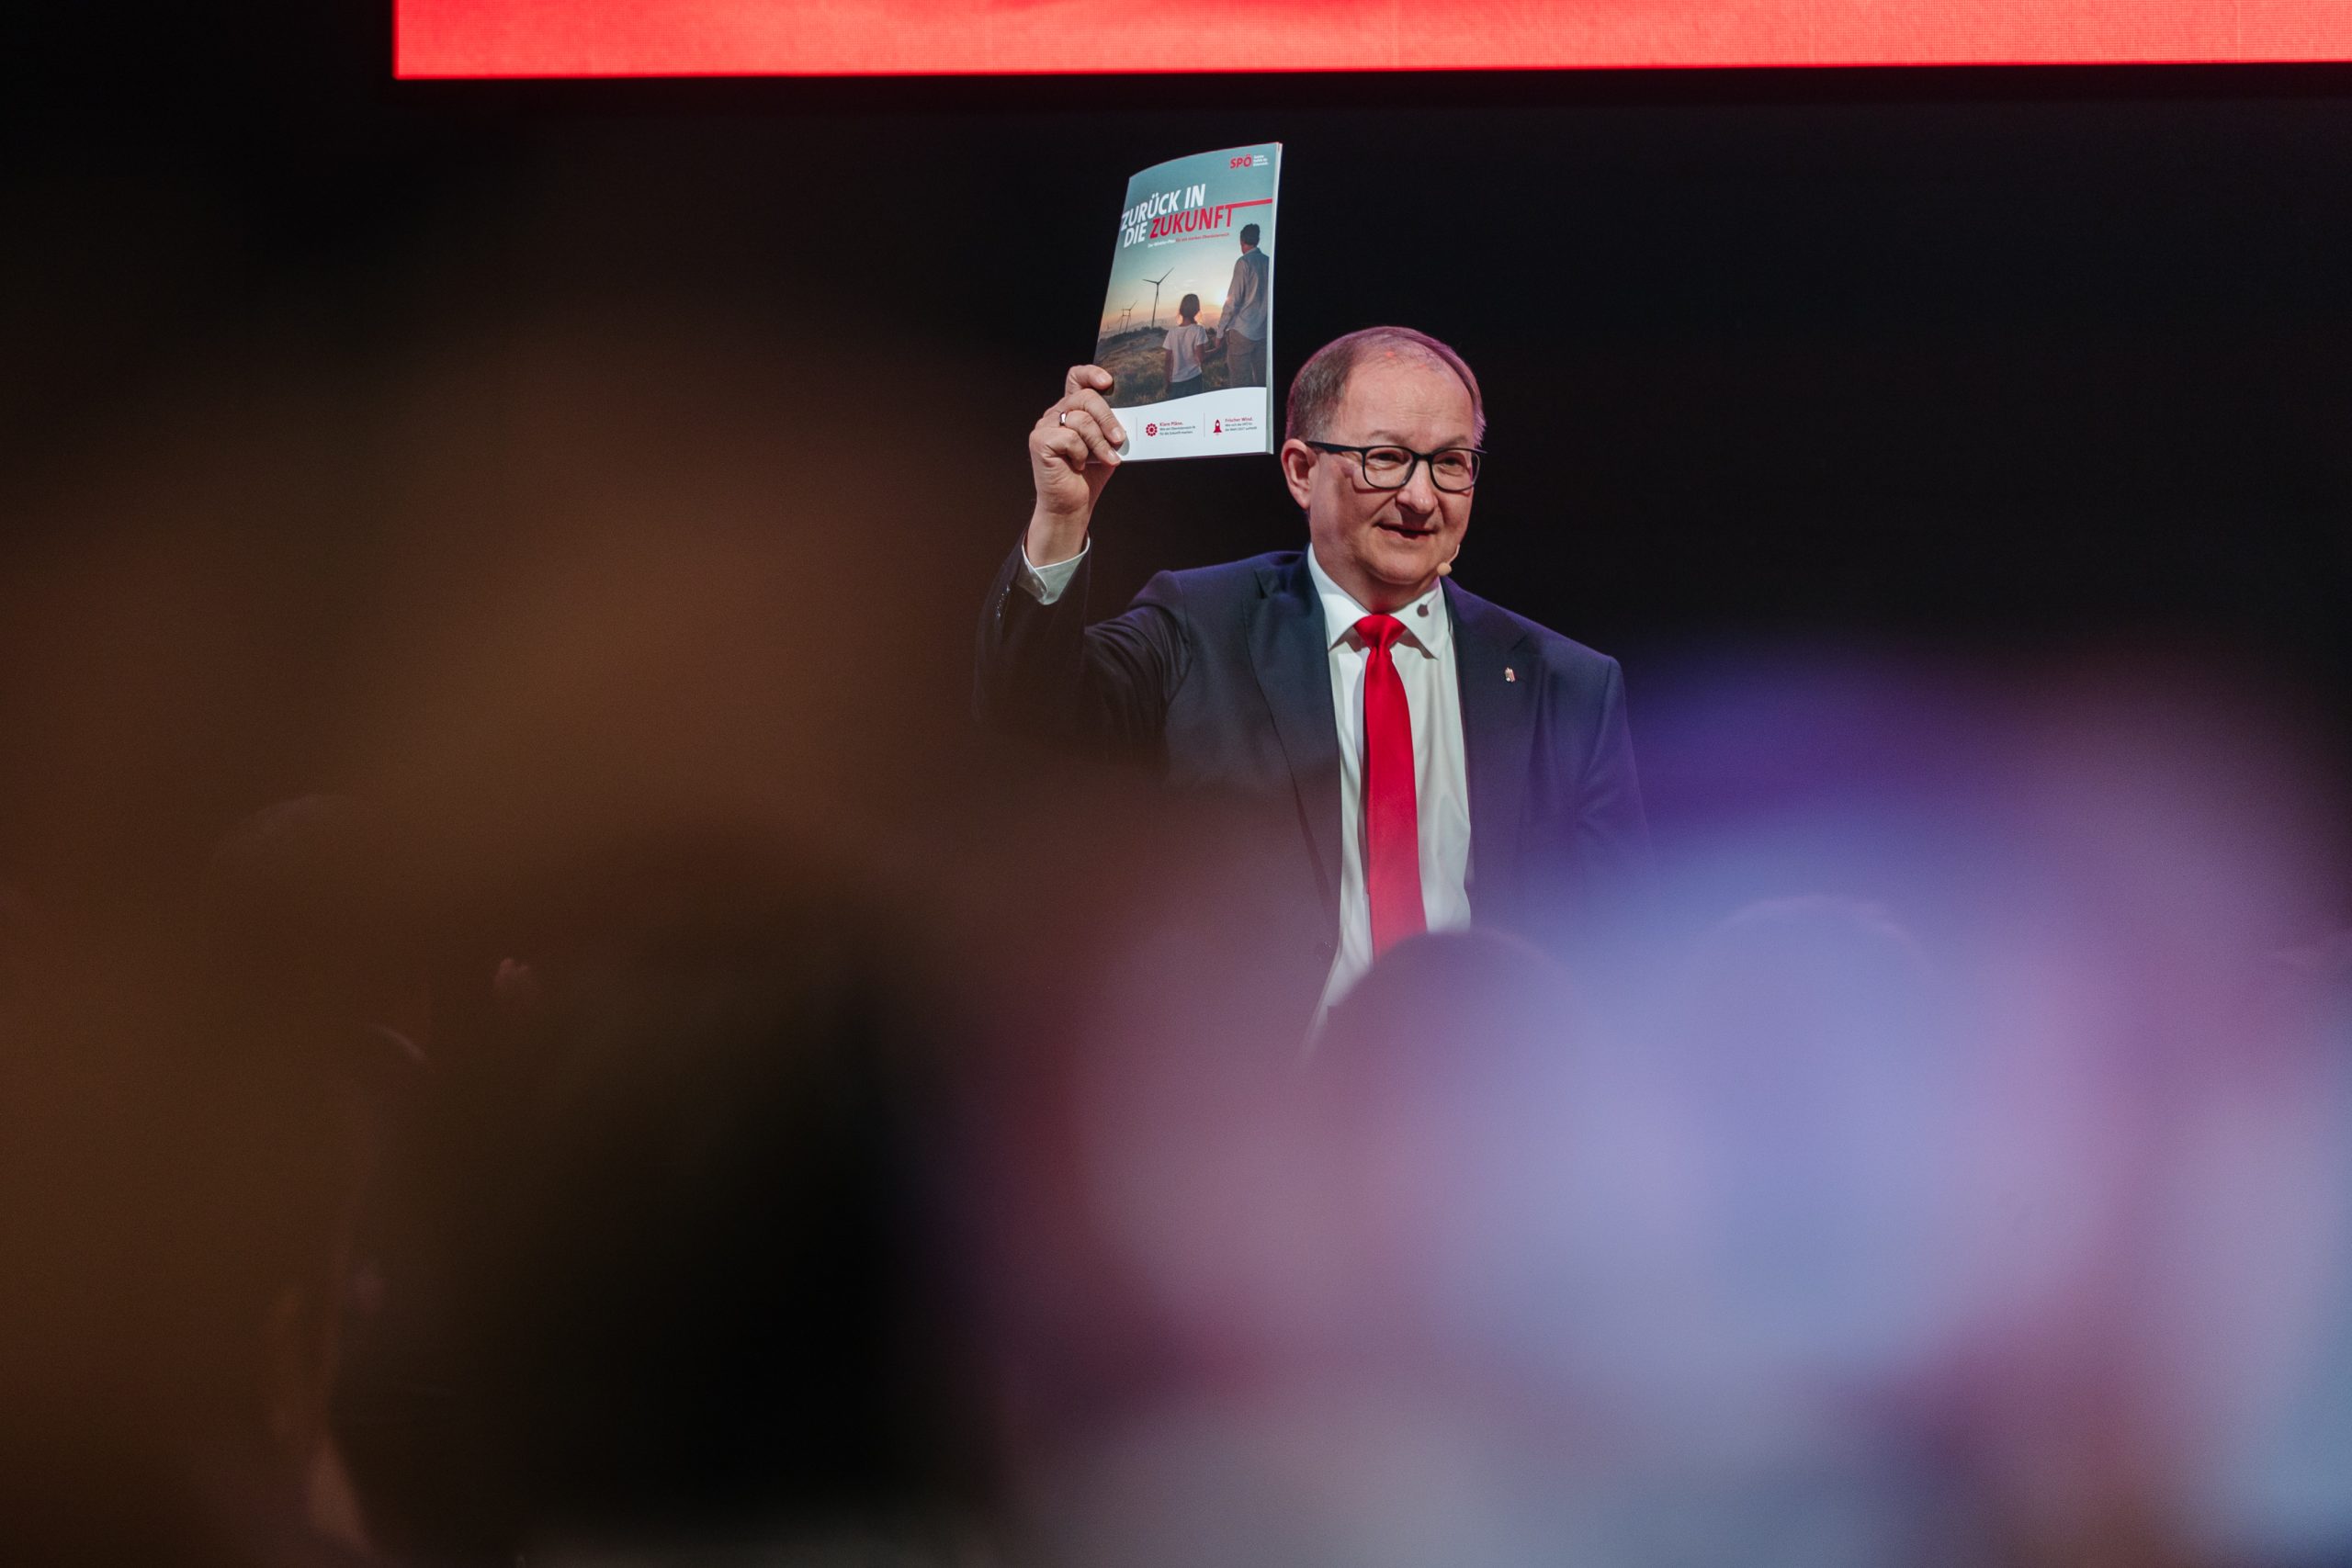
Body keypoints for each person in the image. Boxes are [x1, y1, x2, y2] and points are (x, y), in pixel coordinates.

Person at [977, 325, 1649, 1027]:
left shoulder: (1567, 686)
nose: (1422, 497)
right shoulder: (1200, 624)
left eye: (1451, 463)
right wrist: (1061, 517)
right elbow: (1028, 706)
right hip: (1259, 1080)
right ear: (1301, 470)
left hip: (1489, 1079)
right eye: (1387, 458)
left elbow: (1628, 945)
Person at [1216, 224, 1271, 388]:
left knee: (1240, 383)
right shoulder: (1269, 262)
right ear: (1258, 240)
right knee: (1262, 382)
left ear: (1242, 241)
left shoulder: (1243, 262)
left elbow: (1232, 301)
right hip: (1263, 332)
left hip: (1242, 332)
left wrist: (1220, 332)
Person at [1160, 293, 1209, 400]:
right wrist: (1218, 350)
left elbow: (1167, 360)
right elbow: (1201, 357)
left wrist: (1167, 381)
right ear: (1197, 310)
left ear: (1181, 310)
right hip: (1194, 378)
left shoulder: (1172, 332)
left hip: (1176, 381)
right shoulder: (1199, 329)